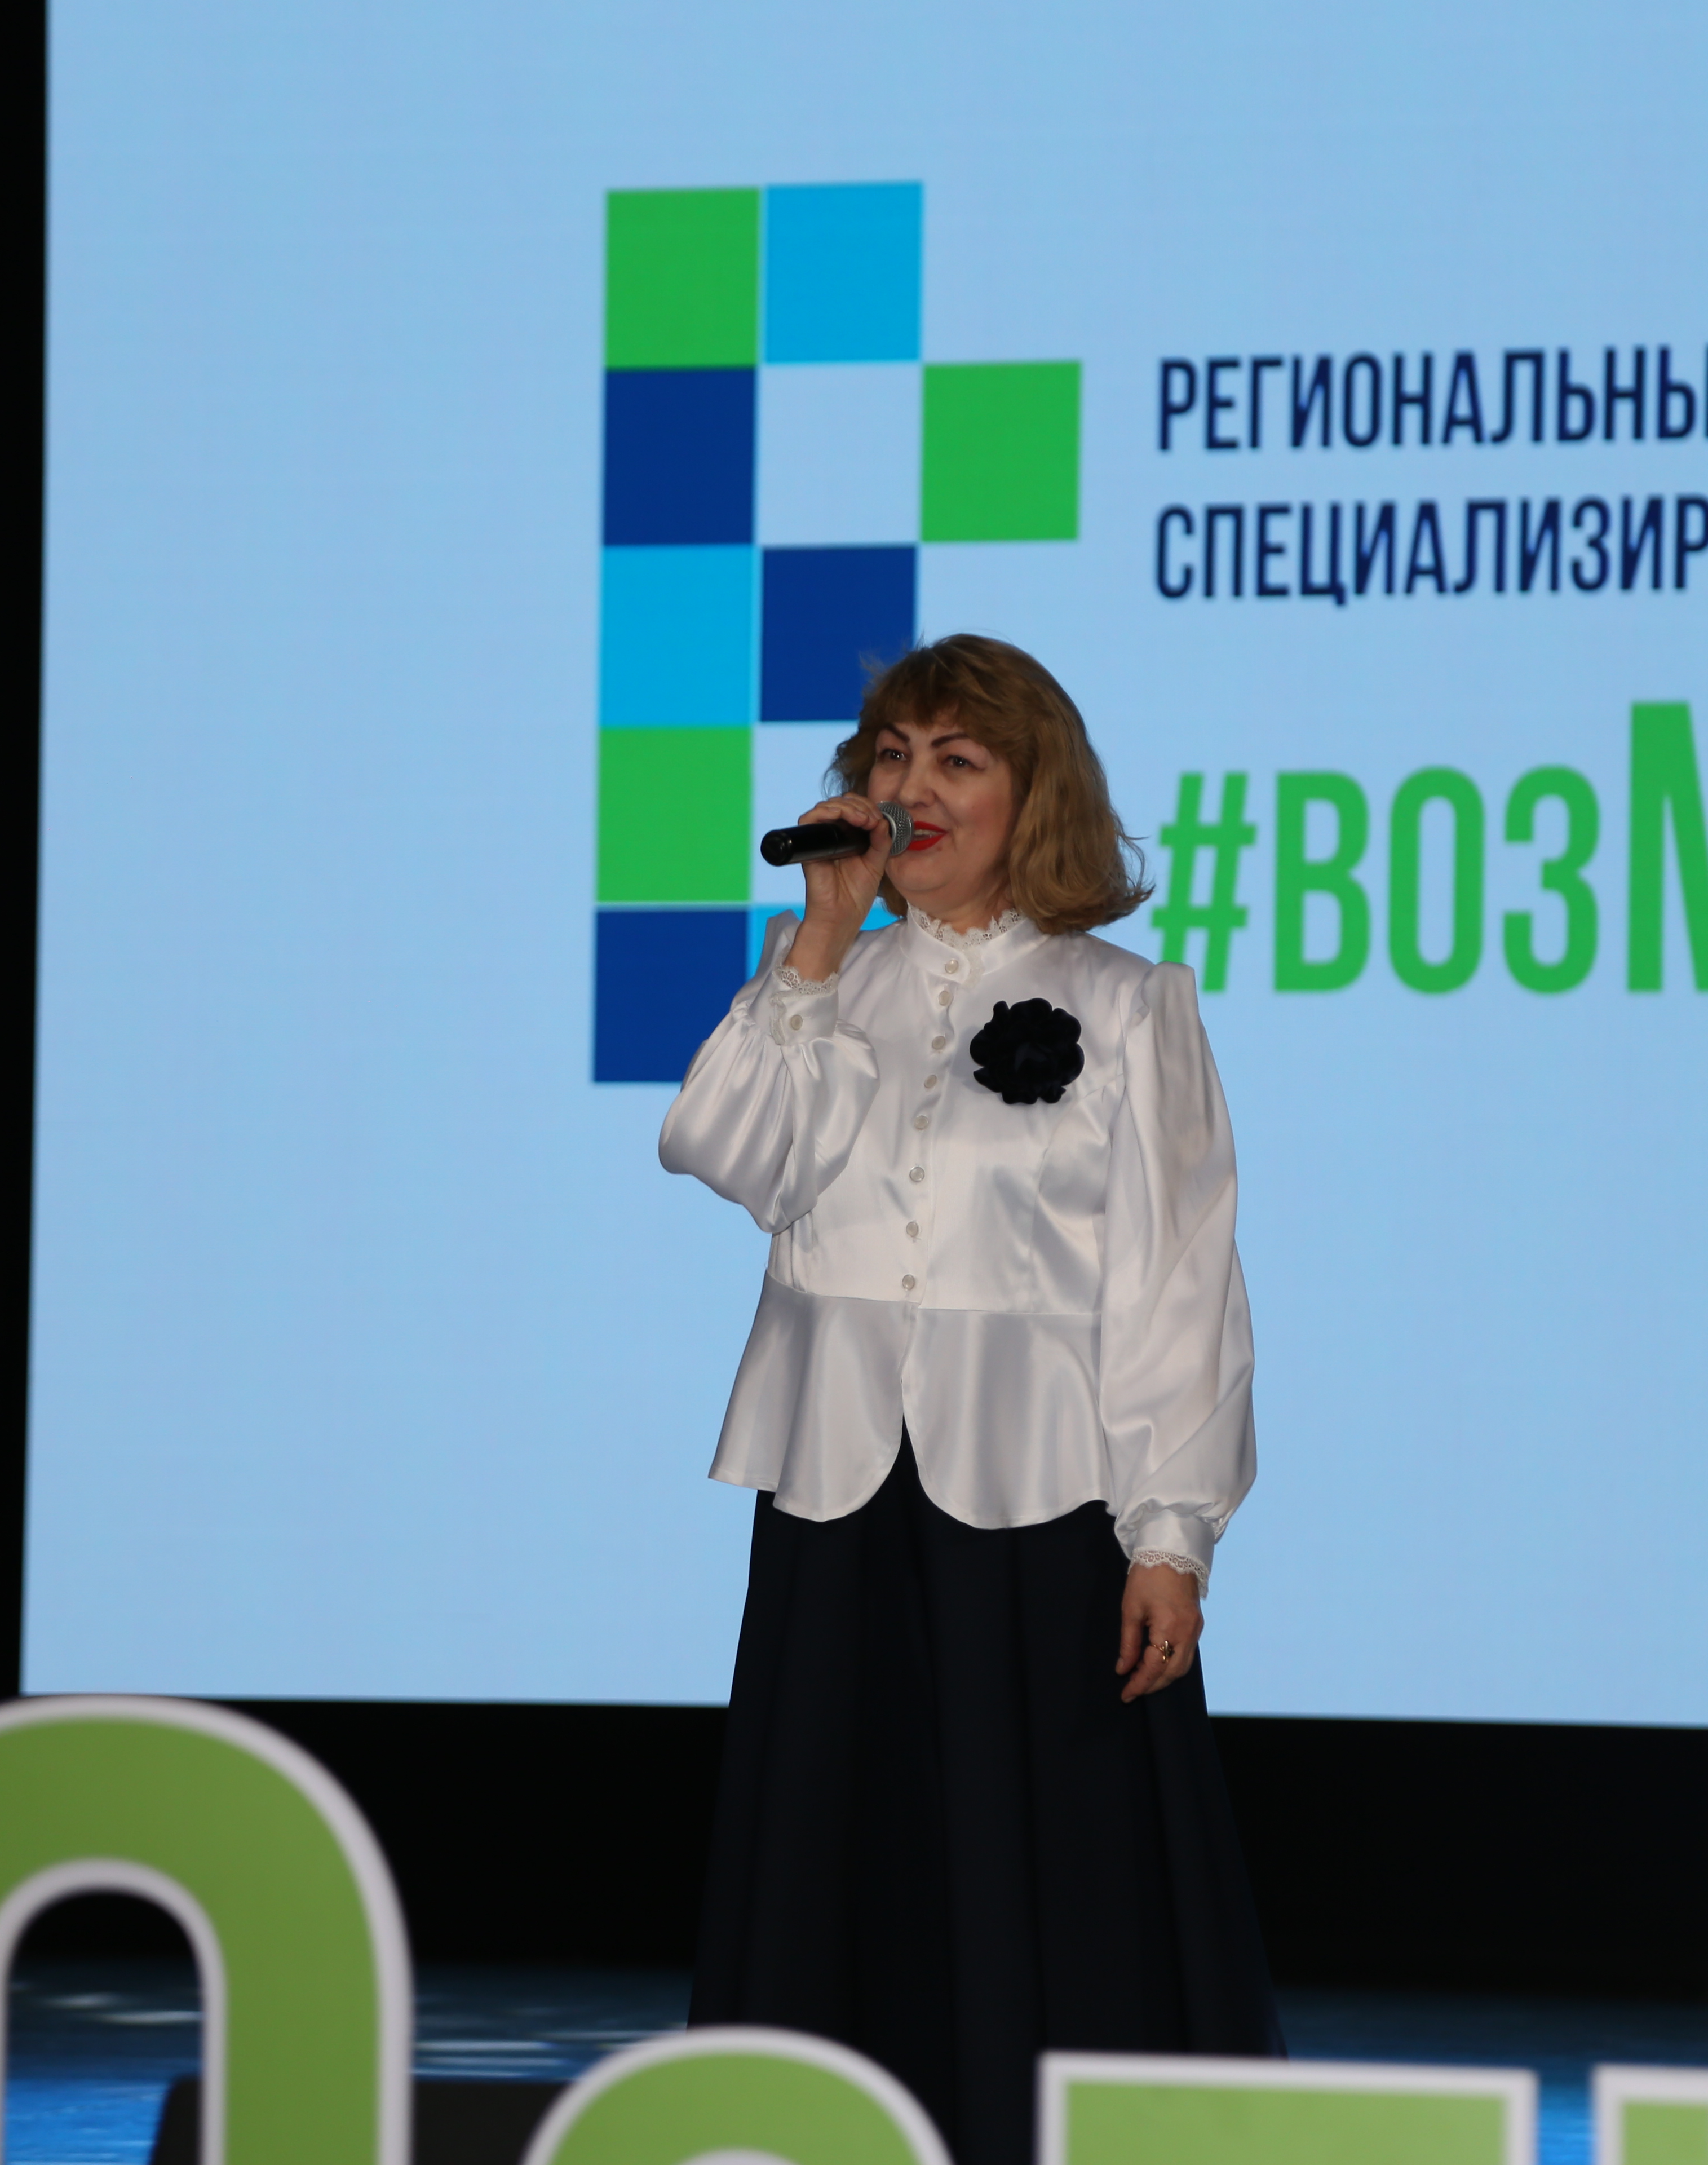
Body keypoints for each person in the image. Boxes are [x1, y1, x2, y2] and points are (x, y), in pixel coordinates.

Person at [660, 635, 1280, 2165]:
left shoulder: (1127, 1004)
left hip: (1038, 1500)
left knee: (1050, 1869)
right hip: (838, 1489)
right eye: (891, 756)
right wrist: (817, 944)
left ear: (1031, 792)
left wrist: (1172, 1534)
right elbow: (725, 1151)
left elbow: (1177, 1278)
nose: (912, 786)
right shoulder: (823, 982)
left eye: (956, 759)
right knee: (834, 1848)